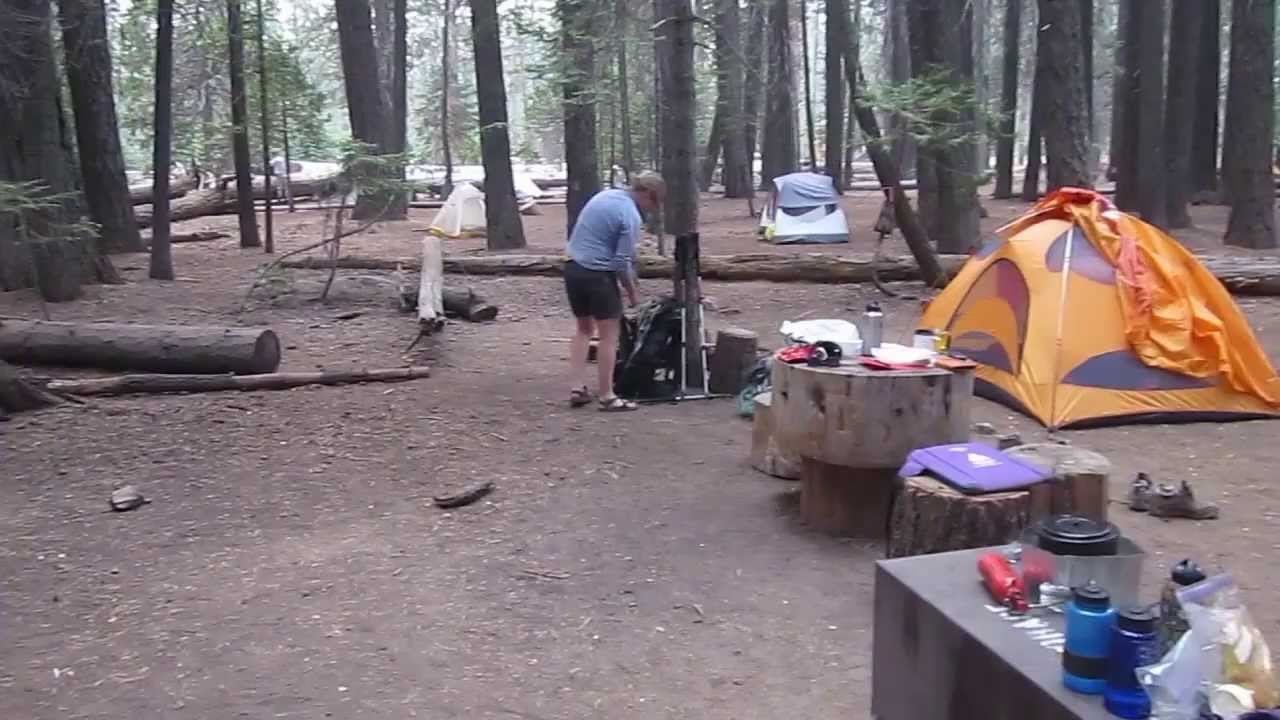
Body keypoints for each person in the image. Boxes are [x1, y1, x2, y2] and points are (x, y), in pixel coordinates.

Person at [564, 172, 666, 411]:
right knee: (609, 336)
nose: (652, 209)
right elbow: (621, 261)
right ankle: (608, 396)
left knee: (584, 329)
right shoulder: (629, 215)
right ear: (647, 194)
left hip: (573, 269)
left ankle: (577, 387)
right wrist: (632, 294)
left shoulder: (605, 196)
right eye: (654, 203)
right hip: (598, 275)